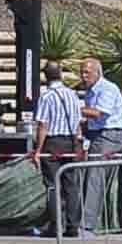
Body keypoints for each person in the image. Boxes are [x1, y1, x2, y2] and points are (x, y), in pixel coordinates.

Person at [33, 56, 88, 234]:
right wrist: (78, 143)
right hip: (70, 142)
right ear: (61, 74)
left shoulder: (46, 96)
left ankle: (55, 224)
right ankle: (73, 226)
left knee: (52, 184)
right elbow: (78, 122)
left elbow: (43, 125)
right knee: (71, 185)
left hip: (53, 143)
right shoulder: (72, 95)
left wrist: (38, 150)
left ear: (45, 76)